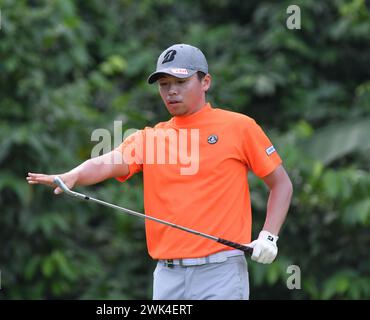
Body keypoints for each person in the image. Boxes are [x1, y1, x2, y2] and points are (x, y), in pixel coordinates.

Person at [26, 44, 293, 300]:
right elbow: (109, 161)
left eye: (181, 82)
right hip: (167, 275)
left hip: (220, 272)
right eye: (164, 85)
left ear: (205, 82)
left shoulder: (239, 127)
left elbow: (281, 184)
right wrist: (74, 176)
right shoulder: (150, 138)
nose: (171, 92)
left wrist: (269, 236)